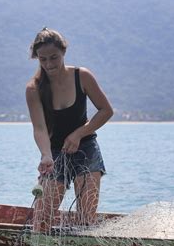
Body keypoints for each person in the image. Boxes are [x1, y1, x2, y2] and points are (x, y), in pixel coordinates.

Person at [26, 28, 113, 231]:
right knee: (41, 223)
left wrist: (79, 133)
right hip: (55, 153)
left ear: (63, 52)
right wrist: (46, 155)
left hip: (86, 149)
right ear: (37, 58)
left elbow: (106, 111)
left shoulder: (82, 76)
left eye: (54, 57)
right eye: (43, 59)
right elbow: (39, 129)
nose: (49, 64)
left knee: (85, 221)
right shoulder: (33, 88)